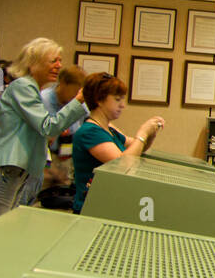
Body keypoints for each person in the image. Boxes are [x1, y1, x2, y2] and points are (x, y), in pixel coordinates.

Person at [0, 38, 88, 225]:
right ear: (33, 62)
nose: (59, 66)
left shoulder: (32, 89)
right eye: (53, 61)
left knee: (3, 230)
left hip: (18, 171)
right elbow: (48, 126)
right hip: (7, 170)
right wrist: (78, 101)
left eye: (60, 61)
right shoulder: (23, 87)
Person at [70, 73, 165, 213]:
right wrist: (143, 133)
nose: (123, 105)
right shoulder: (90, 132)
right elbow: (122, 164)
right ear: (99, 100)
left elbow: (138, 147)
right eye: (117, 99)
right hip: (91, 207)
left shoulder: (108, 129)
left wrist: (151, 133)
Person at [38, 65, 86, 209]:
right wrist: (47, 168)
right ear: (63, 83)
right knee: (41, 202)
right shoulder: (43, 100)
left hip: (66, 160)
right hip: (45, 160)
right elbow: (42, 136)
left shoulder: (79, 103)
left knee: (62, 205)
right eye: (75, 89)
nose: (77, 95)